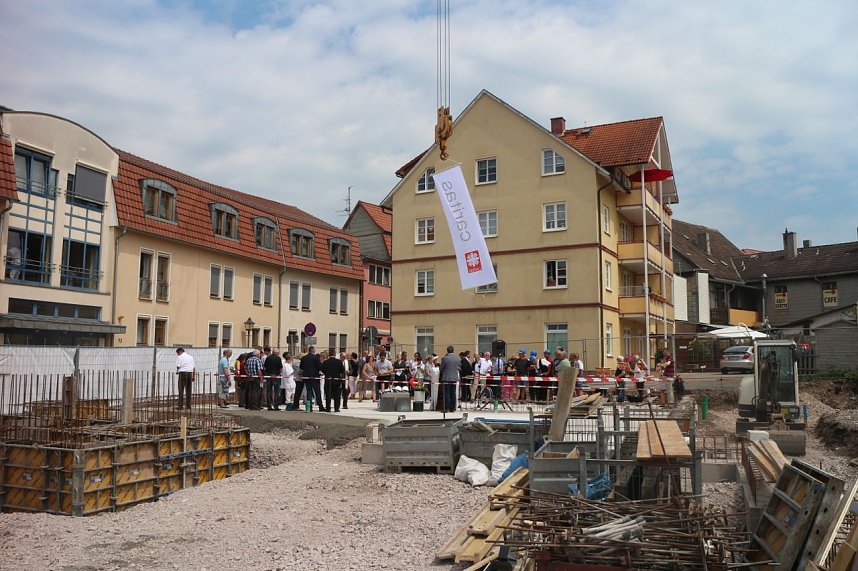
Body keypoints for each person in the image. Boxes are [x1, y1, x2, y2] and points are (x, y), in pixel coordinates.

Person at [298, 346, 324, 412]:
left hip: (306, 377)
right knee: (317, 392)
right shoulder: (316, 357)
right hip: (315, 376)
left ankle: (309, 407)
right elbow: (319, 366)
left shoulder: (303, 358)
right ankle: (320, 406)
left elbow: (301, 367)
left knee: (308, 392)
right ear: (313, 351)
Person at [439, 345, 459, 412]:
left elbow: (441, 368)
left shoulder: (445, 358)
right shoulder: (457, 358)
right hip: (454, 377)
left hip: (447, 377)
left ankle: (446, 408)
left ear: (447, 351)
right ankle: (453, 408)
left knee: (446, 393)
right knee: (453, 393)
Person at [263, 347, 283, 411]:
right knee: (276, 391)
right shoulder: (278, 358)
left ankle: (269, 406)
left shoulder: (268, 358)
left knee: (269, 391)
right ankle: (276, 406)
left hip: (268, 375)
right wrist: (278, 373)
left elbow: (265, 366)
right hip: (276, 376)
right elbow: (280, 368)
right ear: (277, 353)